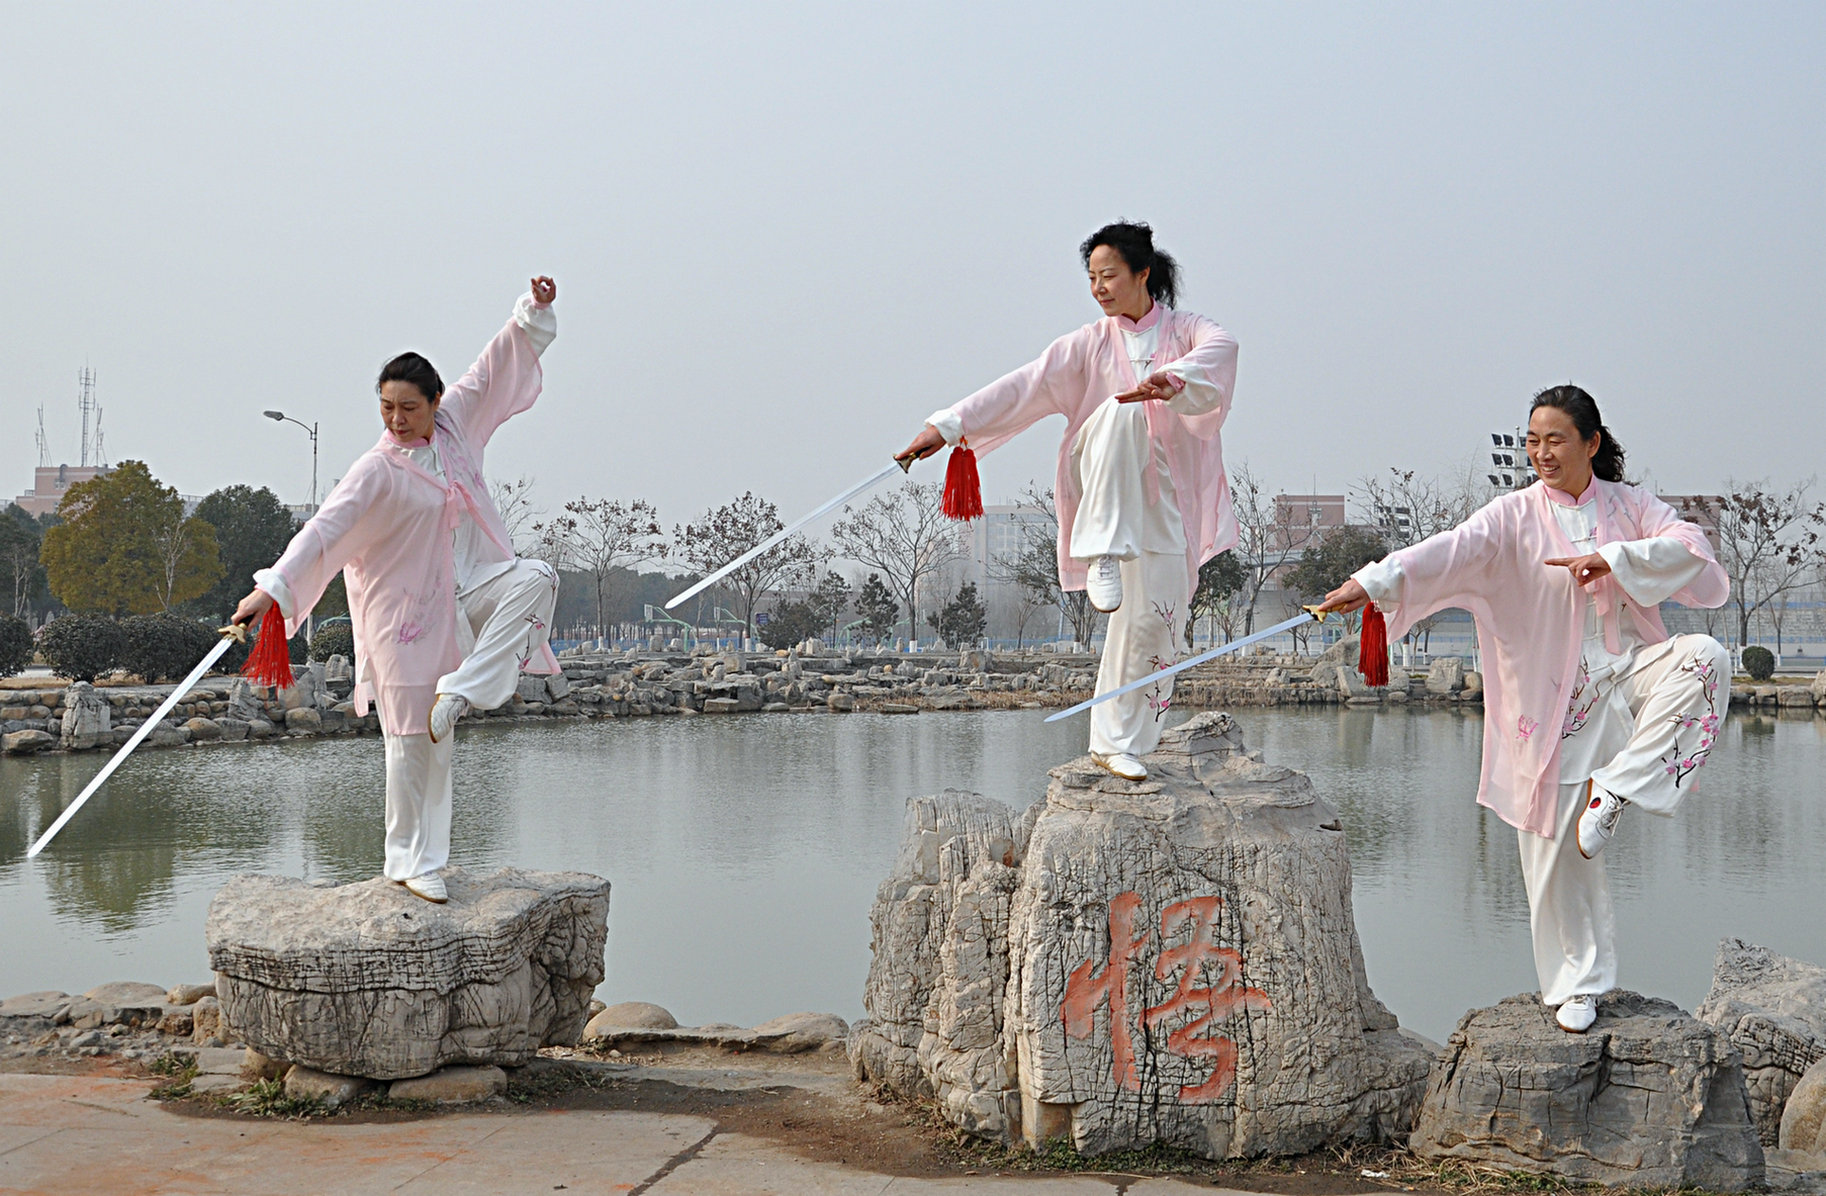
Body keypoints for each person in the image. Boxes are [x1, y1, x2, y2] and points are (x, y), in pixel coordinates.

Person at [1317, 385, 1730, 1033]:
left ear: (1591, 443)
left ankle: (1618, 789)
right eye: (1532, 439)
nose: (1540, 452)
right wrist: (1371, 583)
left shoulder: (1630, 505)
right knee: (1552, 851)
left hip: (1626, 676)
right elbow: (1447, 550)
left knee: (1705, 659)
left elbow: (1691, 544)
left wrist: (1614, 558)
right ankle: (1577, 983)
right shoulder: (1513, 516)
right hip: (1552, 698)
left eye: (1555, 439)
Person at [232, 278, 562, 903]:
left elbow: (494, 366)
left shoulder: (458, 426)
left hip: (469, 592)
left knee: (539, 576)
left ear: (437, 401)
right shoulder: (377, 470)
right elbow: (325, 529)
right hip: (403, 619)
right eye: (386, 406)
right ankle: (411, 860)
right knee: (414, 744)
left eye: (408, 406)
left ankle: (466, 689)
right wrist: (273, 589)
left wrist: (533, 313)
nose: (396, 418)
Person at [897, 223, 1239, 782]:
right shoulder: (1088, 345)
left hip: (1165, 499)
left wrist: (1173, 380)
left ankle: (1116, 742)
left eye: (1109, 276)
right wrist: (948, 425)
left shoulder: (1186, 330)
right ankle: (1102, 547)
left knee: (1156, 622)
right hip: (1103, 471)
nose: (1099, 288)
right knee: (1124, 410)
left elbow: (1223, 350)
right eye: (1091, 279)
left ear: (1142, 273)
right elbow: (1024, 385)